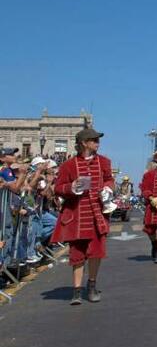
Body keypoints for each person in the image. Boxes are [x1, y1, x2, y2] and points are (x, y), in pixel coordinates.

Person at [51, 128, 114, 305]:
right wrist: (71, 187)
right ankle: (77, 290)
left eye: (97, 140)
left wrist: (108, 189)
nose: (97, 143)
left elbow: (109, 179)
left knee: (96, 252)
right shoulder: (68, 165)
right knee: (77, 254)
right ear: (84, 143)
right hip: (76, 215)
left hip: (96, 214)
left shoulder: (104, 162)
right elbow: (57, 188)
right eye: (94, 140)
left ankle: (92, 285)